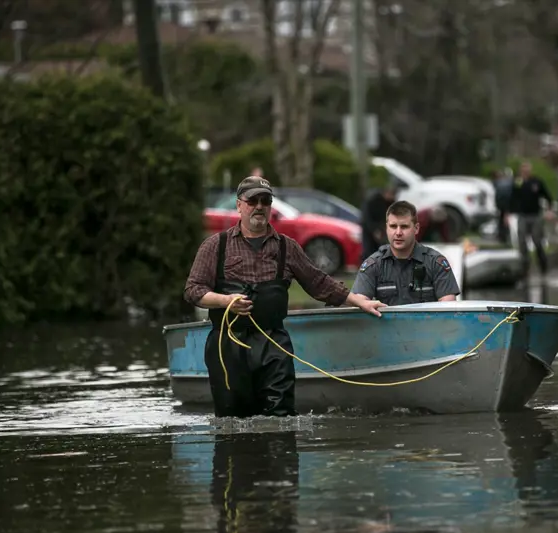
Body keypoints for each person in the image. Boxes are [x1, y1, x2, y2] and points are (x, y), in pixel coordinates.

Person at [183, 175, 386, 418]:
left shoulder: (286, 247)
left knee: (281, 416)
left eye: (265, 201)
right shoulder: (215, 245)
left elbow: (318, 282)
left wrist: (358, 301)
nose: (259, 206)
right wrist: (225, 301)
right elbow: (193, 291)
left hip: (274, 344)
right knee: (232, 419)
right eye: (253, 201)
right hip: (228, 345)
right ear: (239, 205)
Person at [351, 200, 461, 306]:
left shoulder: (435, 263)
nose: (398, 233)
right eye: (393, 226)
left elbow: (448, 308)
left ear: (416, 228)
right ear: (386, 228)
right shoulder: (373, 265)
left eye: (404, 227)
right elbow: (360, 303)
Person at [508, 161, 553, 276]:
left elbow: (548, 197)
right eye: (523, 169)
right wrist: (508, 213)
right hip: (522, 216)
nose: (525, 171)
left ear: (530, 170)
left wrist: (549, 211)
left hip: (535, 216)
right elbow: (512, 198)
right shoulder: (518, 182)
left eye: (527, 169)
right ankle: (524, 268)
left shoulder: (536, 182)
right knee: (522, 242)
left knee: (537, 241)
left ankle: (543, 265)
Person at [360, 184, 398, 259]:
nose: (391, 198)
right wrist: (374, 230)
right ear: (386, 192)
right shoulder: (372, 201)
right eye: (391, 195)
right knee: (369, 250)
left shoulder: (390, 202)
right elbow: (367, 218)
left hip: (381, 229)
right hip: (369, 229)